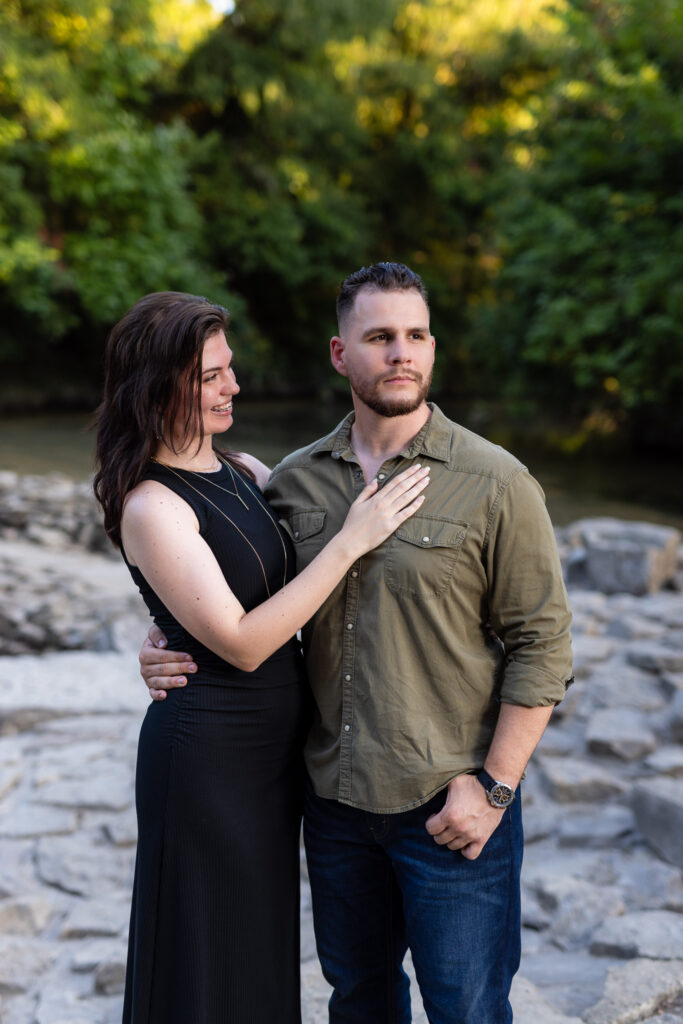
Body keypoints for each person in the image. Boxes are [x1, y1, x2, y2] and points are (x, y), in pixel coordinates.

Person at [140, 264, 574, 1024]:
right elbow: (235, 586)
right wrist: (163, 639)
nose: (399, 353)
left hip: (449, 803)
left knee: (467, 1011)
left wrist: (494, 789)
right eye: (379, 337)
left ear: (432, 349)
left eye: (414, 336)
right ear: (341, 354)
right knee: (359, 1004)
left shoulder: (496, 482)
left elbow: (543, 646)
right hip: (333, 807)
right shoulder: (294, 482)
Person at [92, 289, 430, 1024]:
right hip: (207, 757)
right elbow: (243, 642)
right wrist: (353, 536)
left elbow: (278, 586)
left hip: (270, 760)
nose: (233, 387)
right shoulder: (151, 504)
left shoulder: (246, 470)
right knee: (202, 952)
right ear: (158, 385)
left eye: (229, 369)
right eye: (211, 375)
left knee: (256, 946)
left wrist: (164, 637)